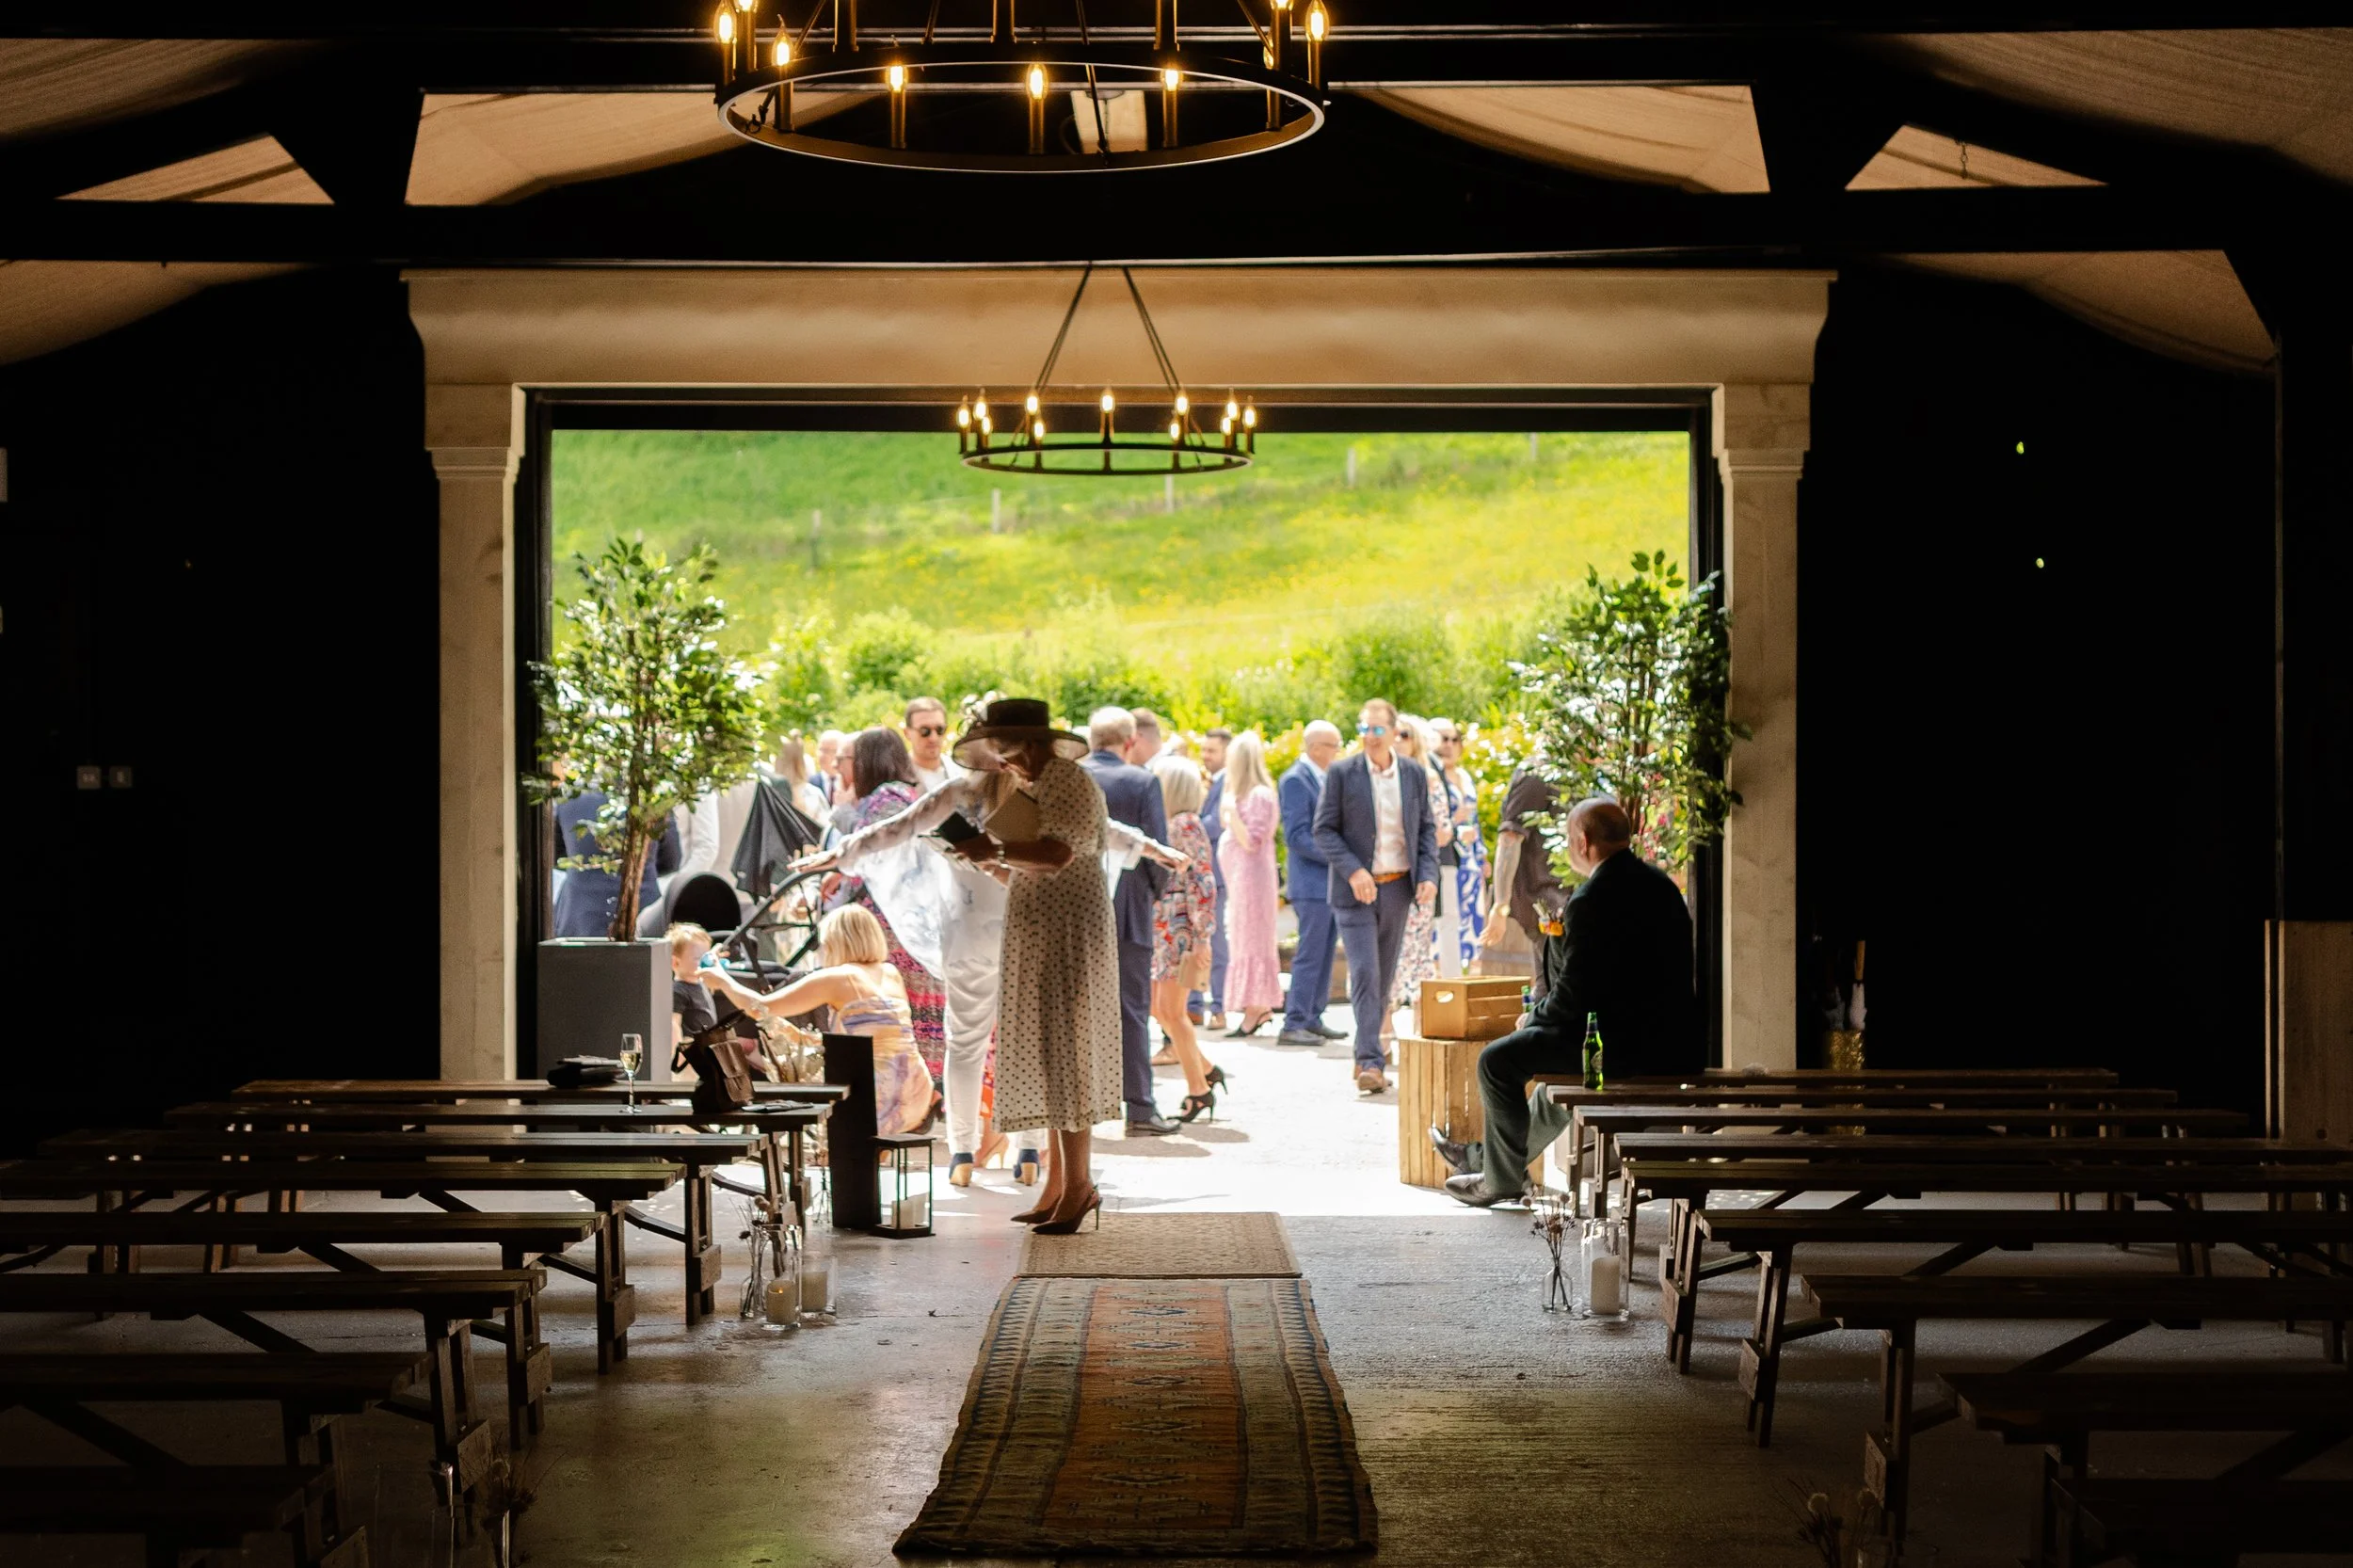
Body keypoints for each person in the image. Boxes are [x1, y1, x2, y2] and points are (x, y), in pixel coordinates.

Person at [802, 721, 1189, 1185]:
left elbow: (894, 830)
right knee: (1030, 1041)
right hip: (1027, 924)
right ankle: (1030, 1149)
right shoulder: (1035, 795)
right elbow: (1098, 830)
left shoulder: (955, 795)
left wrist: (837, 854)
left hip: (968, 931)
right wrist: (1152, 848)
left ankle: (962, 1151)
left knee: (965, 1042)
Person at [1435, 798, 1699, 1208]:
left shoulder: (1591, 899)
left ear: (1583, 840)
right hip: (1672, 1044)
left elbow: (1576, 996)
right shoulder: (1662, 885)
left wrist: (1532, 1017)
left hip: (1618, 1049)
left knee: (1496, 1062)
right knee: (1550, 1088)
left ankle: (1499, 1181)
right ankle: (1489, 1162)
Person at [926, 698, 1125, 1231]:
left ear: (1033, 744)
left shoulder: (1066, 780)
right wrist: (984, 859)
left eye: (1008, 753)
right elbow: (1029, 874)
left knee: (1068, 1054)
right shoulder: (1040, 787)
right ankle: (1060, 1186)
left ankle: (1078, 1187)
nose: (1004, 764)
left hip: (1068, 937)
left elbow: (1059, 855)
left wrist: (989, 851)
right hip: (1046, 933)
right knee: (1053, 1053)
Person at [699, 905, 934, 1135]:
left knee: (788, 1062)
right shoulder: (890, 973)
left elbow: (762, 1008)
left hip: (877, 1092)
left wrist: (722, 980)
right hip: (915, 1087)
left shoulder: (839, 977)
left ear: (835, 942)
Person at [1312, 698, 1440, 1095]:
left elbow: (1427, 830)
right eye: (1364, 728)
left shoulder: (1414, 774)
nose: (1369, 736)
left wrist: (1429, 875)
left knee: (1383, 977)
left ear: (1394, 732)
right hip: (1355, 893)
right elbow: (1324, 830)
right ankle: (1370, 1060)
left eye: (1377, 729)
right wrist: (1353, 870)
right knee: (1365, 971)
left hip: (1399, 887)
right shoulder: (1342, 773)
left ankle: (1365, 1052)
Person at [1080, 708, 1178, 1134]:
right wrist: (1149, 896)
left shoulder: (1073, 778)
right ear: (1130, 741)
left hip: (1077, 908)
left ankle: (1079, 1108)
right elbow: (1158, 847)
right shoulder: (1142, 781)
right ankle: (1139, 1106)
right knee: (1132, 1009)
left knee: (1076, 1010)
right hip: (1129, 909)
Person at [834, 728, 947, 1089]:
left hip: (895, 927)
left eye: (850, 759)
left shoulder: (887, 799)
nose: (841, 768)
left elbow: (876, 857)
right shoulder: (905, 795)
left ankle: (914, 1096)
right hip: (907, 923)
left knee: (900, 1012)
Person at [1146, 753, 1228, 1122]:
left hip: (1180, 930)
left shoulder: (1186, 824)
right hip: (1167, 926)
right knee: (1160, 1009)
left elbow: (1203, 882)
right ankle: (1206, 1071)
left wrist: (1203, 936)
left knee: (1173, 1012)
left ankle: (1199, 1089)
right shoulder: (1172, 822)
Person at [1275, 720, 1347, 1047]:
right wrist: (1338, 857)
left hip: (1327, 883)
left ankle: (1313, 1017)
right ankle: (1294, 1022)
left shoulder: (1322, 777)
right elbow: (1297, 835)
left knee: (1325, 952)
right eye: (1333, 745)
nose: (1337, 751)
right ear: (1314, 747)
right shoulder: (1295, 780)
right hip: (1311, 883)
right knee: (1310, 952)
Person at [1385, 716, 1451, 1038]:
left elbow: (1442, 833)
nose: (1397, 740)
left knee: (1415, 955)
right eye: (1392, 734)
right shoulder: (1375, 778)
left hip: (1416, 882)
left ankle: (1420, 1036)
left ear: (1416, 741)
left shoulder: (1427, 778)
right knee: (1384, 956)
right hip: (1381, 881)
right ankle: (1382, 1037)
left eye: (1404, 735)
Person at [1478, 764, 1569, 995]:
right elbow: (1509, 838)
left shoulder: (1576, 772)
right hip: (1546, 901)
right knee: (1553, 984)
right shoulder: (1536, 774)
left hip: (1567, 898)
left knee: (1549, 984)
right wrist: (1500, 905)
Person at [1215, 731, 1282, 1038]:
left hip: (1254, 884)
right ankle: (1255, 1005)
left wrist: (1230, 813)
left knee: (1254, 941)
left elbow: (1252, 841)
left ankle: (1257, 1007)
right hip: (1240, 883)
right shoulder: (1242, 795)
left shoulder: (1260, 795)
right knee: (1243, 941)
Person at [552, 789, 681, 938]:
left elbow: (556, 854)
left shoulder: (570, 797)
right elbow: (671, 860)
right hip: (641, 909)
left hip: (579, 913)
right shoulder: (652, 796)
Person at [1431, 718, 1489, 973]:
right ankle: (1438, 993)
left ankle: (1468, 994)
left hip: (1471, 863)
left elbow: (1475, 820)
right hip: (1445, 861)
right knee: (1442, 930)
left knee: (1474, 929)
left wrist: (1483, 855)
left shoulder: (1465, 776)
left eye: (1455, 739)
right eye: (1444, 739)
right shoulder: (1431, 778)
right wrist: (1455, 826)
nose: (1450, 745)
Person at [1193, 727, 1234, 1029]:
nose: (1205, 756)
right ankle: (1195, 1003)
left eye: (1212, 751)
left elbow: (1216, 824)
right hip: (1201, 874)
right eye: (1204, 750)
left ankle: (1218, 1005)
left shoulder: (1228, 784)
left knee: (1215, 943)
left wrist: (1186, 824)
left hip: (1215, 875)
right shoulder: (1211, 783)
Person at [903, 696, 960, 792]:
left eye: (939, 730)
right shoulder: (899, 776)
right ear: (907, 733)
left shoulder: (960, 771)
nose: (933, 738)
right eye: (925, 731)